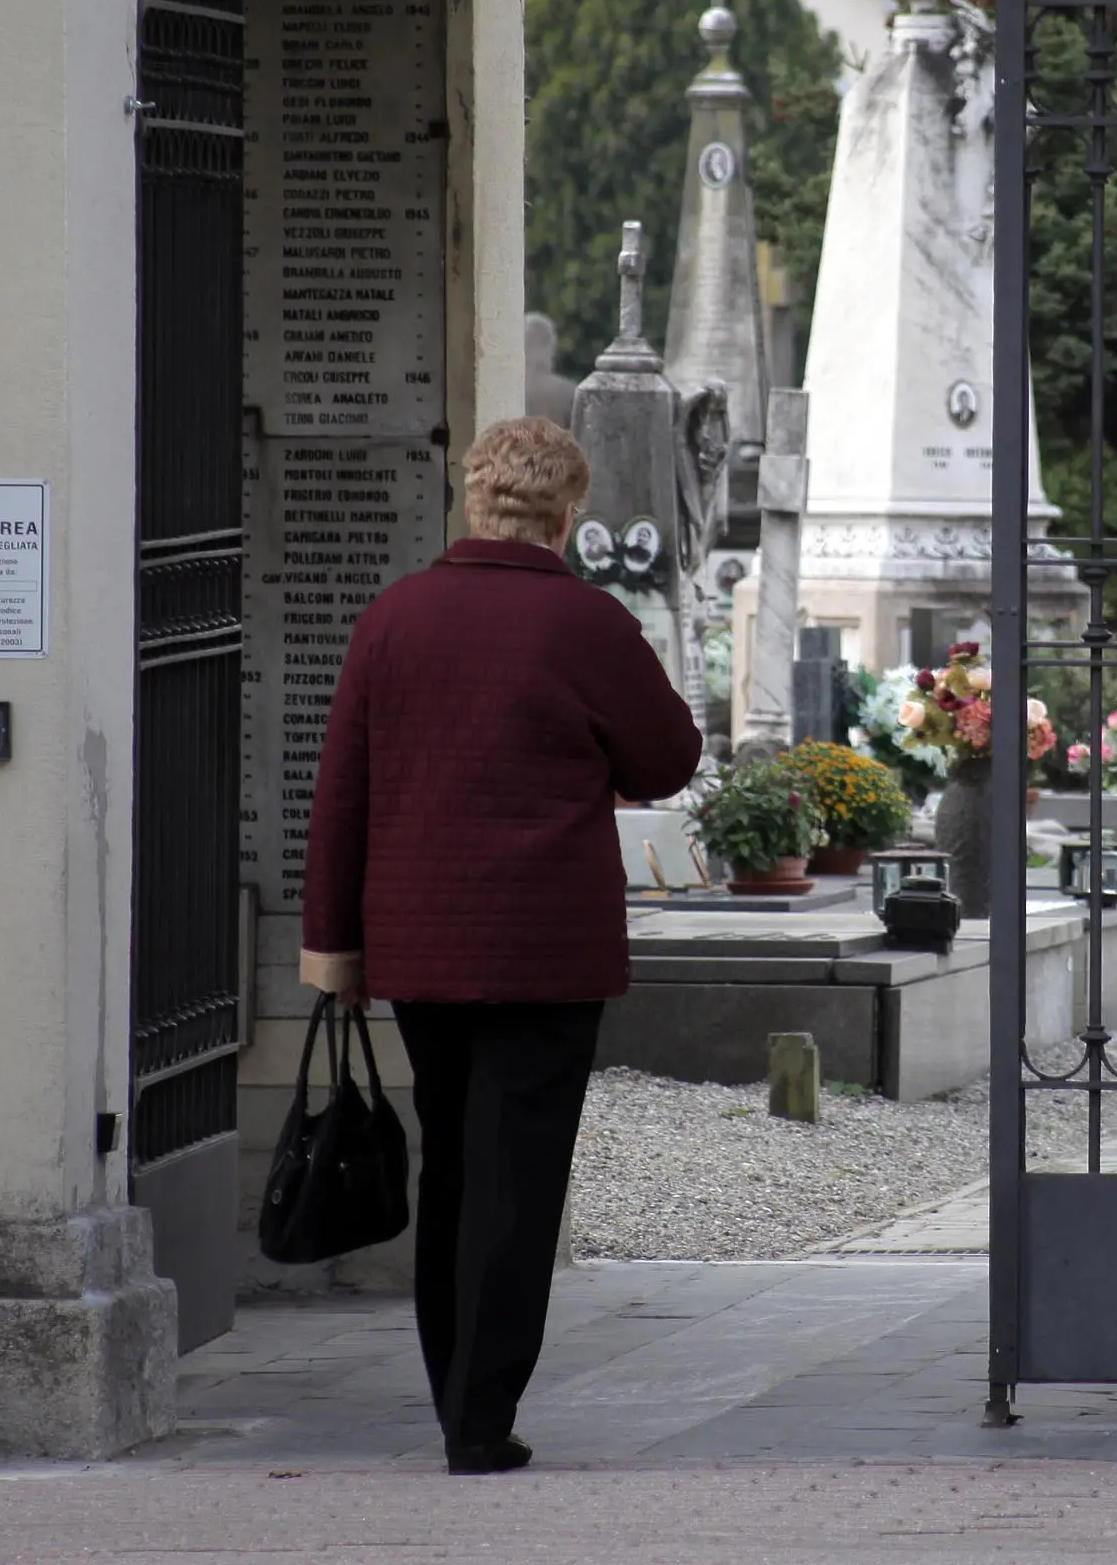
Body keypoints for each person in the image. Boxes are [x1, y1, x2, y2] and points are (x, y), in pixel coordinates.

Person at [299, 416, 702, 1474]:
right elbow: (665, 759)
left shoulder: (393, 617)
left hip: (421, 951)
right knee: (519, 1180)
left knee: (454, 1169)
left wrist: (334, 947)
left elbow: (342, 792)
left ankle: (454, 1395)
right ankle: (480, 1415)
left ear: (474, 503)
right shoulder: (588, 624)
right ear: (567, 517)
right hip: (545, 950)